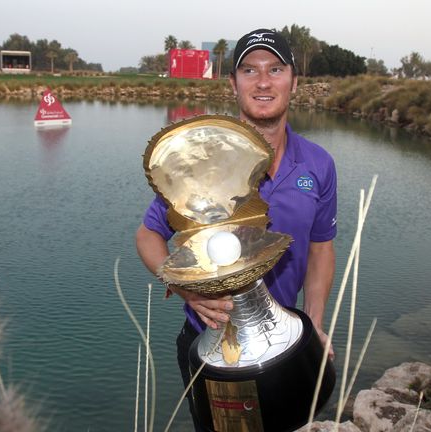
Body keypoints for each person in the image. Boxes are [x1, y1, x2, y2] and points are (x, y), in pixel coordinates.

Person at [135, 28, 337, 426]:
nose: (263, 81)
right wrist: (185, 289)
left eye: (275, 69)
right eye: (249, 70)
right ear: (233, 83)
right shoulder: (200, 160)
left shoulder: (318, 164)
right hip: (210, 343)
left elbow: (321, 248)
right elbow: (147, 234)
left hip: (285, 339)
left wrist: (314, 325)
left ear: (294, 80)